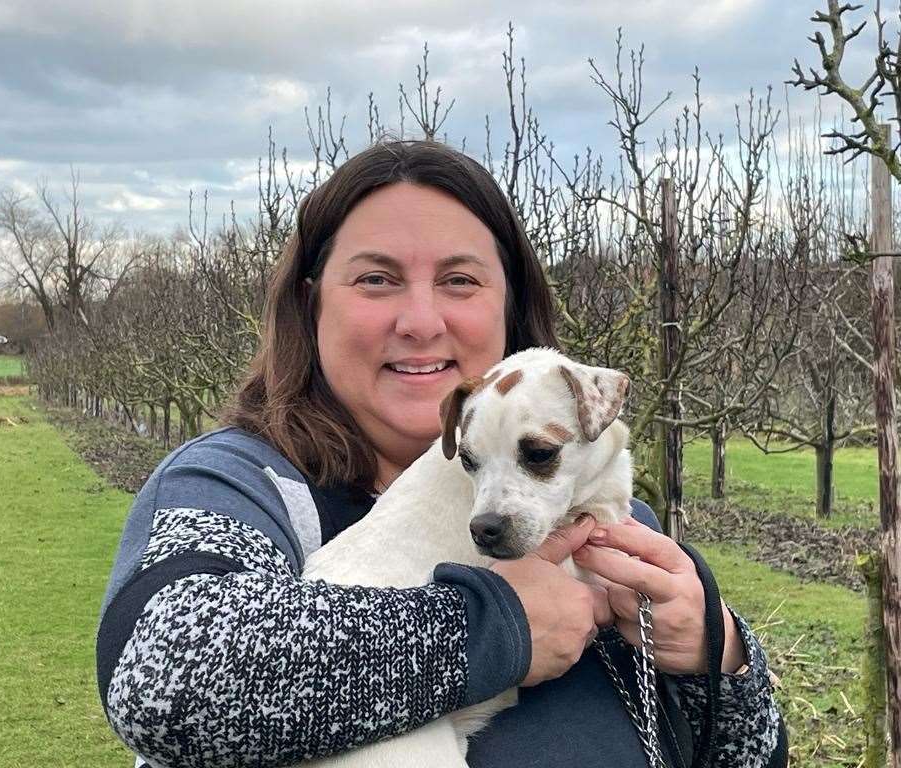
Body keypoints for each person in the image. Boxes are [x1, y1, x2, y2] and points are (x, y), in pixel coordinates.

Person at [96, 139, 783, 768]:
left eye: (460, 280)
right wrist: (491, 628)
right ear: (311, 307)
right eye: (375, 279)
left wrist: (719, 659)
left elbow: (743, 757)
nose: (421, 322)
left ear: (509, 304)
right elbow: (164, 677)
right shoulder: (241, 484)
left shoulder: (599, 508)